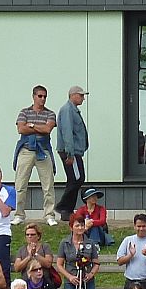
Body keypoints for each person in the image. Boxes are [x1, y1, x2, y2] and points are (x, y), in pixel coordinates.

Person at [12, 85, 58, 227]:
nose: (42, 99)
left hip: (43, 150)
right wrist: (37, 128)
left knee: (48, 184)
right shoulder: (24, 112)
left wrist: (31, 126)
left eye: (45, 96)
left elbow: (47, 129)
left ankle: (49, 215)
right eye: (40, 96)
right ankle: (19, 214)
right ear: (33, 96)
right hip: (26, 149)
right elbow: (21, 128)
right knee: (20, 184)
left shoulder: (50, 114)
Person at [55, 85, 89, 221]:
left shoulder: (72, 110)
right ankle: (64, 206)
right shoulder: (68, 110)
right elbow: (67, 132)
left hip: (73, 152)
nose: (83, 98)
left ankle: (66, 211)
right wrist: (70, 154)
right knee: (77, 179)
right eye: (81, 95)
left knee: (74, 179)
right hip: (71, 152)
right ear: (73, 95)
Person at [56, 216, 100, 289]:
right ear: (71, 227)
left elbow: (96, 263)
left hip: (87, 281)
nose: (80, 228)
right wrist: (70, 277)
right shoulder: (65, 243)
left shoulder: (90, 243)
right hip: (71, 280)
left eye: (82, 225)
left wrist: (91, 274)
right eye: (77, 225)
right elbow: (59, 264)